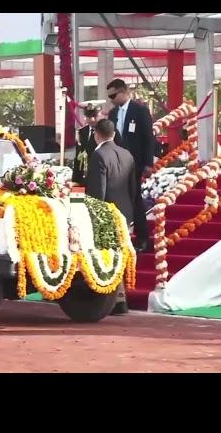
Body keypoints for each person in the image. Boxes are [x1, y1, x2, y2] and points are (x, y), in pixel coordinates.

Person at [86, 119, 136, 315]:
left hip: (107, 212)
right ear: (114, 134)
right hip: (126, 212)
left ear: (97, 134)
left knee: (108, 255)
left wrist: (94, 213)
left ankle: (115, 298)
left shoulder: (99, 155)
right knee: (121, 254)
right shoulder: (128, 155)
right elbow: (133, 189)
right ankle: (121, 297)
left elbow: (98, 190)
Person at [106, 79, 154, 252]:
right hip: (116, 163)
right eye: (109, 96)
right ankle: (120, 236)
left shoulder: (139, 110)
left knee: (134, 198)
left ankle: (142, 238)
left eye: (114, 95)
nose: (111, 99)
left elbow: (148, 137)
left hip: (135, 162)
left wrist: (148, 163)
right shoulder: (113, 114)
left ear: (124, 91)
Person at [72, 106, 100, 185]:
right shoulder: (81, 132)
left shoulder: (106, 131)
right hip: (82, 176)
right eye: (89, 116)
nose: (92, 119)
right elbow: (78, 157)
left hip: (97, 177)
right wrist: (75, 180)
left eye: (95, 116)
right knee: (78, 197)